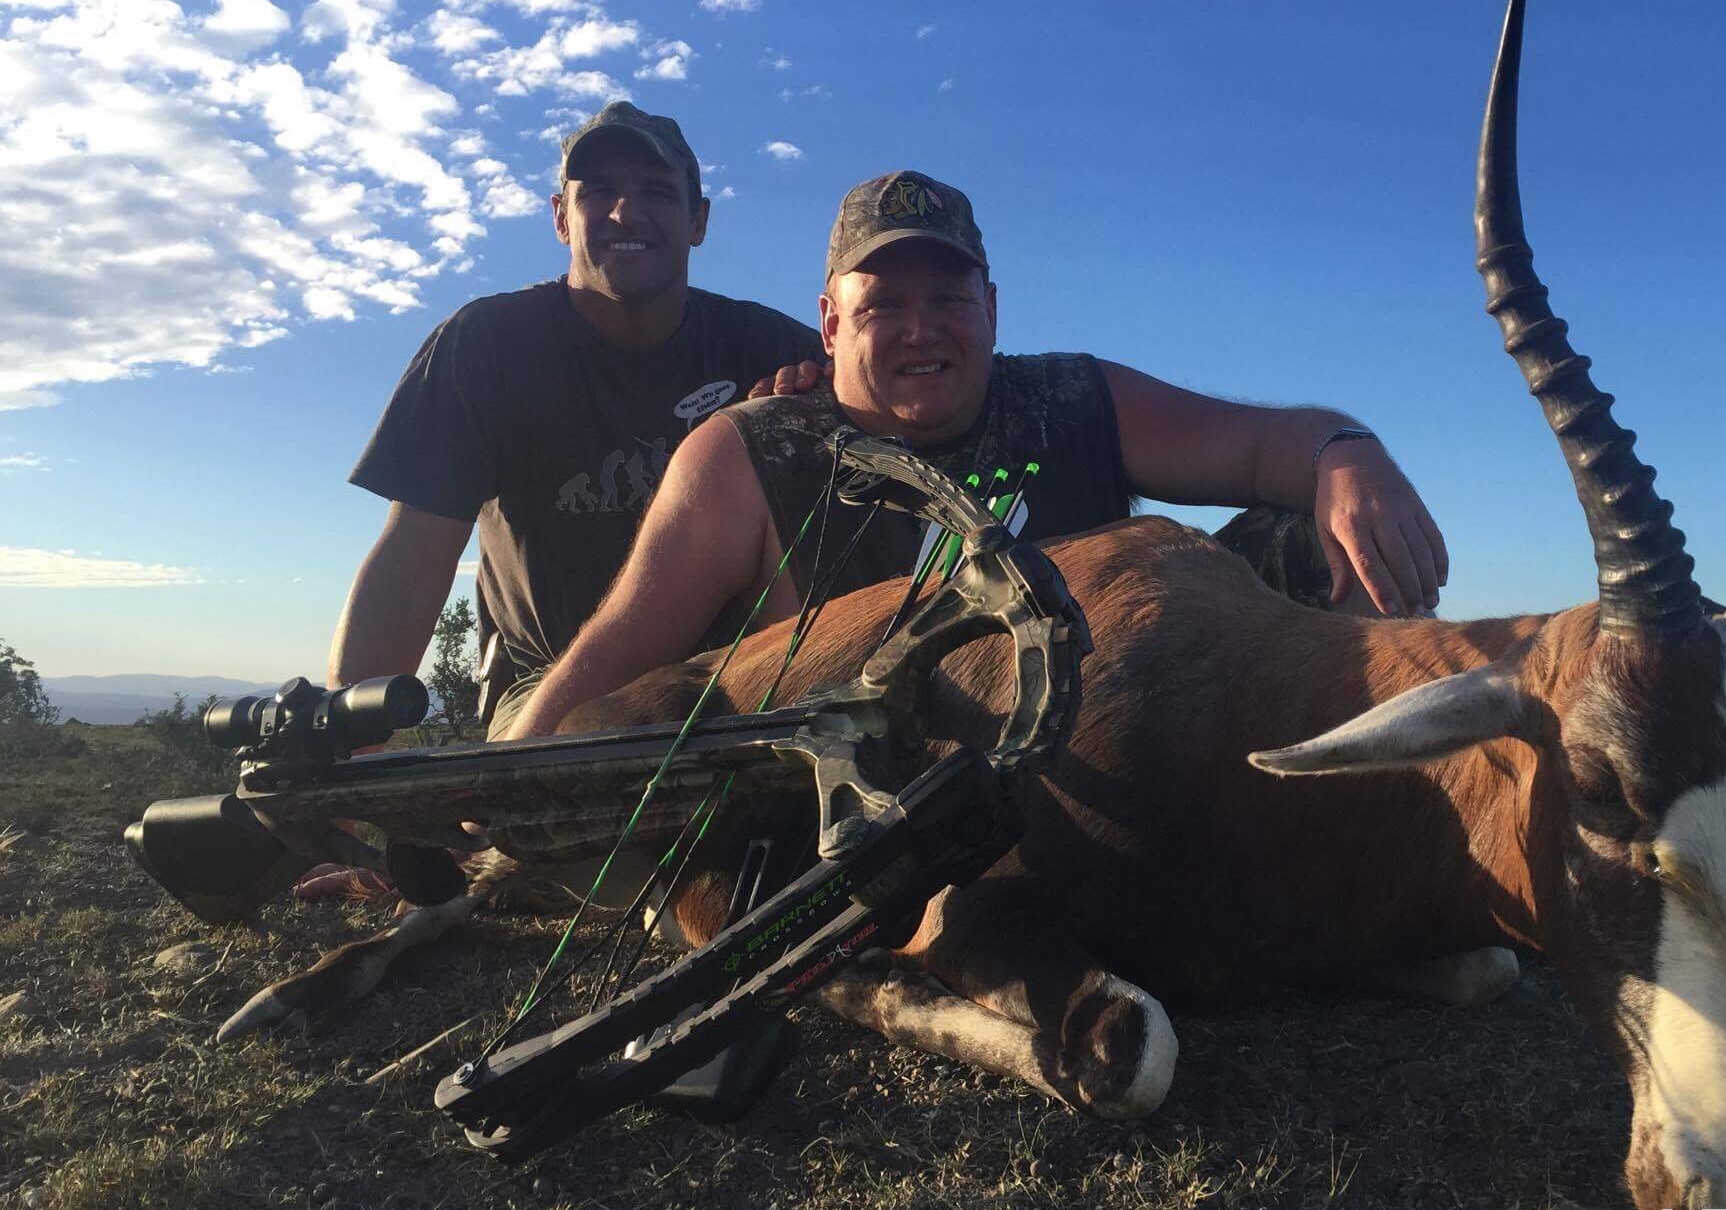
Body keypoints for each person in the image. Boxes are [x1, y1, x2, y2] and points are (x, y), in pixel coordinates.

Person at [501, 169, 1448, 741]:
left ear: (992, 308)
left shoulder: (1077, 398)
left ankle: (1350, 788)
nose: (921, 332)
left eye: (948, 300)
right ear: (830, 325)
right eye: (883, 307)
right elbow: (620, 653)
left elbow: (1271, 445)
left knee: (1312, 535)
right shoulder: (748, 452)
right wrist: (494, 794)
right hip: (885, 801)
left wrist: (1348, 455)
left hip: (1128, 747)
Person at [331, 102, 825, 739]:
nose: (627, 212)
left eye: (656, 192)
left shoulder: (776, 349)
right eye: (598, 192)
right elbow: (413, 560)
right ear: (561, 216)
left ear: (698, 220)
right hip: (546, 695)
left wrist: (816, 398)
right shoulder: (484, 346)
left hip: (740, 682)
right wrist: (342, 745)